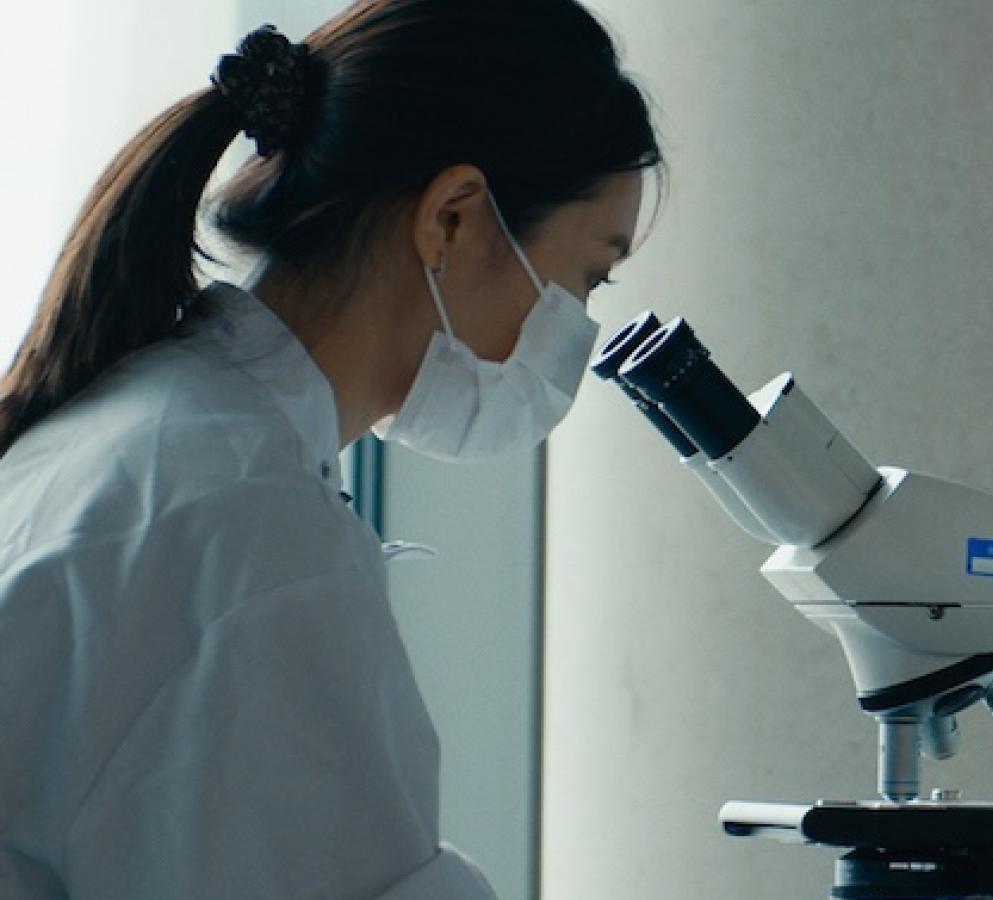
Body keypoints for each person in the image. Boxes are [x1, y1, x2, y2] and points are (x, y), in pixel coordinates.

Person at [0, 0, 659, 896]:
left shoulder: (132, 426)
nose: (576, 324)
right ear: (454, 218)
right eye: (587, 275)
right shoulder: (251, 527)